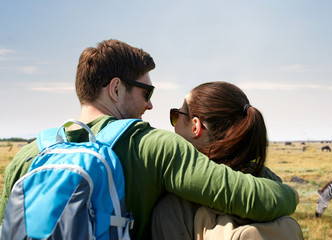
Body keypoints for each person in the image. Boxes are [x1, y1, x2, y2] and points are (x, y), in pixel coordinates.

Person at [0, 39, 299, 239]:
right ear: (116, 89)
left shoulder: (26, 156)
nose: (150, 106)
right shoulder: (153, 146)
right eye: (146, 93)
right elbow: (250, 198)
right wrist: (291, 195)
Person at [152, 81, 303, 240]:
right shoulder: (269, 183)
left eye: (176, 116)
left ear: (195, 126)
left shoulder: (174, 207)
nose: (174, 127)